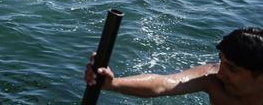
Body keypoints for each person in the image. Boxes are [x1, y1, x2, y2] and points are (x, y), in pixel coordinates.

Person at [84, 27, 263, 103]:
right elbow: (164, 84)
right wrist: (114, 84)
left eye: (233, 69)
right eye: (221, 61)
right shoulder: (213, 79)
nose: (221, 73)